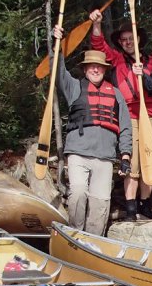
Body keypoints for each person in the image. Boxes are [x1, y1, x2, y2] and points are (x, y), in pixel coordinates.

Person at [53, 25, 132, 235]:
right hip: (78, 153)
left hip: (105, 156)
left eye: (99, 66)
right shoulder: (75, 87)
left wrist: (125, 155)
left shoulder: (115, 93)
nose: (95, 69)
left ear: (105, 69)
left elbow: (125, 126)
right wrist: (57, 46)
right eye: (91, 66)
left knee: (100, 202)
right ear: (85, 69)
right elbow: (58, 73)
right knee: (78, 193)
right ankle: (75, 234)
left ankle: (93, 241)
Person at [88, 12, 152, 220]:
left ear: (138, 40)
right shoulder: (118, 59)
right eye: (124, 40)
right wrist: (97, 24)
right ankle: (131, 208)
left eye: (132, 39)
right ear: (120, 43)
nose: (129, 43)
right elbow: (99, 46)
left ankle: (145, 205)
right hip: (131, 114)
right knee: (132, 163)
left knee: (151, 161)